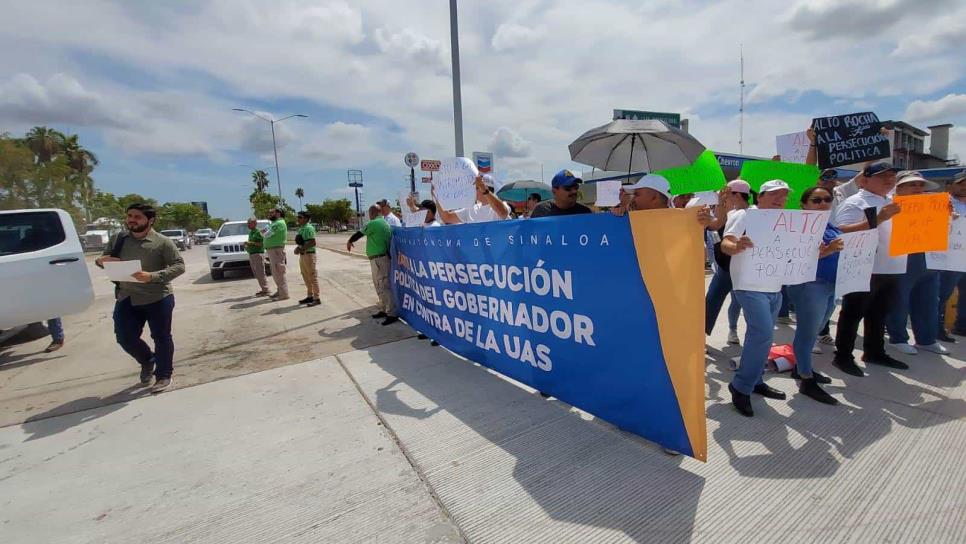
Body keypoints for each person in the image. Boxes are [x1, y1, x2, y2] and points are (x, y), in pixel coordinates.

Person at [95, 203, 185, 392]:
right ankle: (147, 360)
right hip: (127, 296)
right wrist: (100, 261)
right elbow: (104, 259)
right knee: (124, 337)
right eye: (129, 216)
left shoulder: (162, 242)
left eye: (137, 217)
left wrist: (152, 276)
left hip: (157, 297)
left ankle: (163, 375)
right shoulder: (118, 239)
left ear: (150, 220)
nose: (131, 220)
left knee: (161, 337)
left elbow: (179, 266)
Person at [721, 180, 792, 417]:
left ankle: (755, 380)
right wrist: (736, 245)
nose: (779, 200)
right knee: (762, 334)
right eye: (774, 195)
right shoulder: (745, 215)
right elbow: (726, 242)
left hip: (774, 286)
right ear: (759, 197)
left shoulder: (784, 220)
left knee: (761, 337)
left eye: (784, 196)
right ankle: (740, 387)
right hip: (749, 285)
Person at [832, 161, 904, 377]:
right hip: (864, 267)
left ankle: (874, 352)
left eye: (892, 176)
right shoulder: (854, 202)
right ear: (865, 180)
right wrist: (878, 219)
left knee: (879, 313)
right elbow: (840, 231)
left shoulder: (895, 201)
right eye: (883, 176)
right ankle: (842, 356)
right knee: (853, 313)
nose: (889, 180)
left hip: (891, 266)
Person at [784, 186, 845, 405]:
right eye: (816, 200)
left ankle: (802, 367)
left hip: (829, 285)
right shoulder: (797, 227)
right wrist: (829, 250)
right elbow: (795, 257)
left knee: (817, 328)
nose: (822, 204)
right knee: (807, 332)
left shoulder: (829, 225)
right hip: (810, 285)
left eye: (827, 199)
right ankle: (806, 379)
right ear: (804, 204)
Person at [885, 172, 948, 355]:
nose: (918, 189)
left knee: (929, 299)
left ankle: (927, 339)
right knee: (900, 299)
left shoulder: (934, 204)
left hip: (929, 256)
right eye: (912, 184)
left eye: (920, 185)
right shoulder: (889, 203)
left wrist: (951, 215)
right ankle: (898, 337)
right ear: (899, 188)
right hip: (902, 257)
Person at [704, 180, 752, 343]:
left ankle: (735, 332)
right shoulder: (727, 212)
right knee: (711, 303)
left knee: (739, 302)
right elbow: (716, 224)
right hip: (724, 269)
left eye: (726, 193)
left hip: (744, 269)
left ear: (737, 195)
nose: (723, 196)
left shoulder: (755, 214)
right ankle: (699, 338)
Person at [347, 205, 398, 326]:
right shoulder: (384, 223)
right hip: (380, 258)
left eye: (369, 212)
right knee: (379, 286)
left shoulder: (374, 223)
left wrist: (350, 241)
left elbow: (359, 233)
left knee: (384, 286)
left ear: (372, 212)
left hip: (379, 259)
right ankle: (384, 309)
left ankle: (391, 313)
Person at [940, 171, 966, 339]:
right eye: (961, 183)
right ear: (950, 185)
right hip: (949, 257)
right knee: (943, 293)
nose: (964, 187)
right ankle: (936, 328)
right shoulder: (942, 202)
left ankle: (961, 326)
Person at [435, 174, 511, 224]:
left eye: (475, 188)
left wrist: (484, 190)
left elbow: (503, 213)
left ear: (485, 188)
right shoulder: (470, 209)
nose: (472, 191)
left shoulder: (502, 205)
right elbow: (447, 218)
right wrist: (438, 196)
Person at [294, 211, 320, 306]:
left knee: (312, 276)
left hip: (309, 254)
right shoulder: (301, 229)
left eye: (300, 217)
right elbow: (302, 242)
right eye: (298, 217)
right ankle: (310, 296)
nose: (298, 219)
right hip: (303, 255)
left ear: (306, 218)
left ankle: (317, 298)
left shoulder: (309, 228)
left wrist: (301, 248)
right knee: (305, 276)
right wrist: (298, 248)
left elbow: (312, 242)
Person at [264, 207, 289, 301]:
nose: (269, 214)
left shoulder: (279, 223)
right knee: (275, 272)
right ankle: (280, 291)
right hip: (272, 250)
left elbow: (266, 234)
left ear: (278, 213)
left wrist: (264, 233)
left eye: (272, 213)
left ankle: (284, 294)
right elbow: (264, 232)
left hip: (276, 250)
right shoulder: (274, 224)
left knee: (279, 272)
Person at [245, 218, 269, 297]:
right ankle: (263, 289)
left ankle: (266, 290)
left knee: (261, 273)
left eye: (249, 223)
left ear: (255, 223)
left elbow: (261, 244)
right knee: (256, 273)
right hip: (252, 254)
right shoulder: (251, 232)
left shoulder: (258, 232)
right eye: (247, 223)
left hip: (257, 254)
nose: (248, 225)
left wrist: (250, 243)